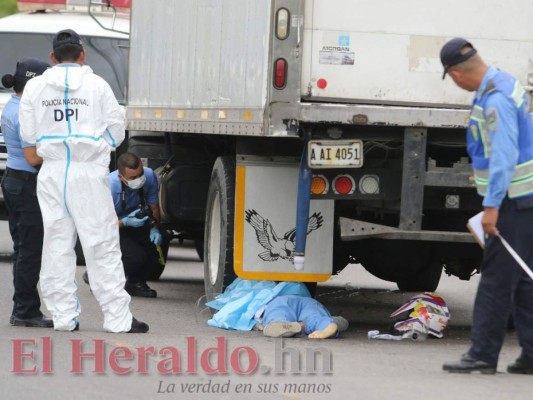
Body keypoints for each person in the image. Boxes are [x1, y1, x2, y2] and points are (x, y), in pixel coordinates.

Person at [18, 28, 148, 333]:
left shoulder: (35, 89)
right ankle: (117, 318)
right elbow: (117, 129)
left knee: (56, 243)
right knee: (100, 243)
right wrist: (96, 146)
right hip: (87, 170)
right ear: (82, 55)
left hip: (52, 171)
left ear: (52, 57)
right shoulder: (97, 85)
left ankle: (63, 317)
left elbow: (28, 135)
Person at [440, 38, 533, 374]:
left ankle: (482, 354)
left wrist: (492, 206)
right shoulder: (506, 82)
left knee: (496, 280)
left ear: (455, 74)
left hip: (512, 200)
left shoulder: (495, 99)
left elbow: (504, 157)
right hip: (525, 199)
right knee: (523, 278)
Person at [1, 58, 53, 328]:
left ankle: (24, 307)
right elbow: (34, 158)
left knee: (24, 249)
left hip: (15, 179)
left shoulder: (14, 105)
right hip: (26, 182)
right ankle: (25, 310)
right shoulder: (24, 113)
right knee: (30, 250)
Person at [91, 151, 169, 297]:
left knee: (161, 241)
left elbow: (154, 207)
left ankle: (135, 283)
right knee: (136, 257)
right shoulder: (109, 187)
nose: (139, 179)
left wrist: (155, 228)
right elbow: (101, 225)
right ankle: (99, 278)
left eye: (140, 175)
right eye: (133, 177)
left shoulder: (150, 176)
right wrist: (125, 222)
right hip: (114, 227)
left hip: (137, 222)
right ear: (121, 177)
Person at [255, 295, 348, 339]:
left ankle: (280, 323)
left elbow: (247, 321)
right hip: (306, 301)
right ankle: (327, 325)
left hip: (277, 303)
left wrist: (258, 326)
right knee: (313, 317)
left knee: (278, 314)